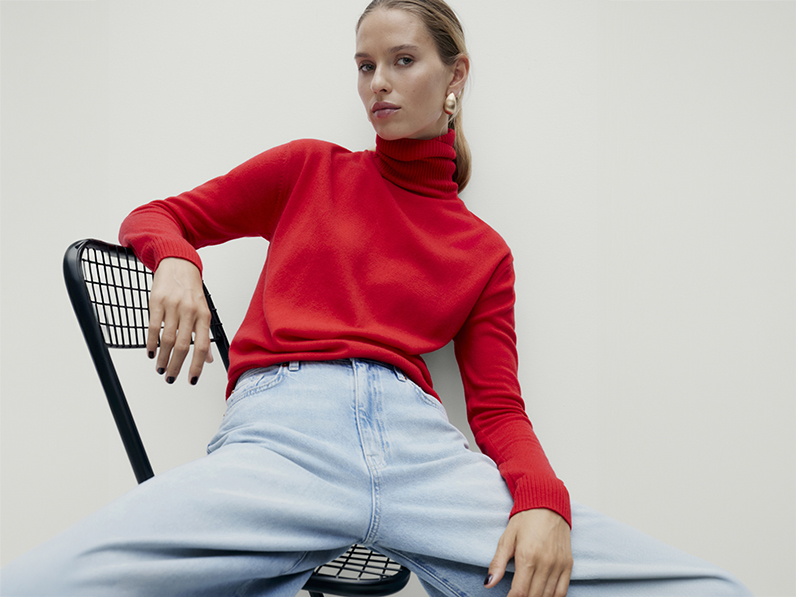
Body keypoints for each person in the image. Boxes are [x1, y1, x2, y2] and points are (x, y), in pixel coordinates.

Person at [1, 1, 752, 596]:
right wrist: (176, 263)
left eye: (401, 61)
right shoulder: (308, 170)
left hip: (422, 458)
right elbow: (158, 216)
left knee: (712, 588)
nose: (377, 84)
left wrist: (542, 502)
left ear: (456, 75)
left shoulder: (484, 250)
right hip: (283, 441)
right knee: (36, 581)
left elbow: (496, 408)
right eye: (364, 66)